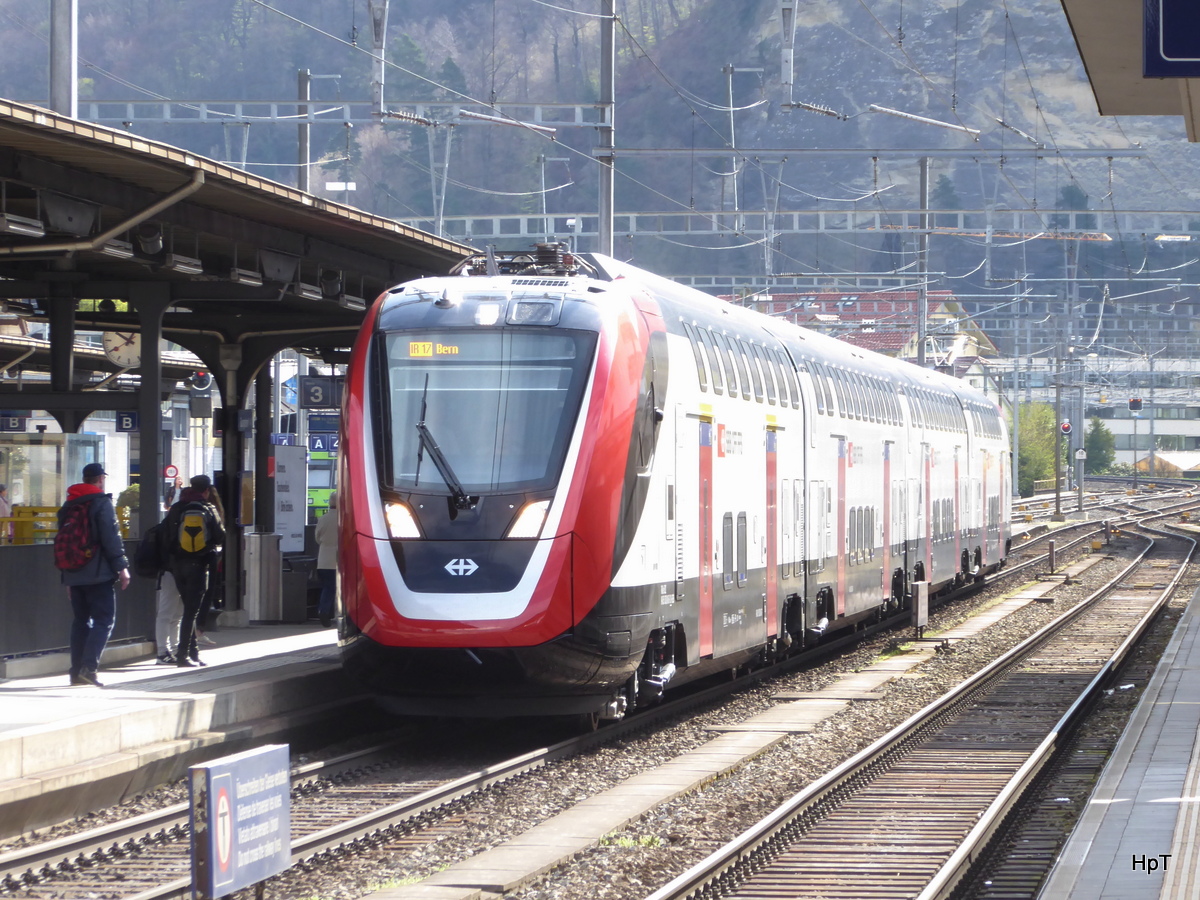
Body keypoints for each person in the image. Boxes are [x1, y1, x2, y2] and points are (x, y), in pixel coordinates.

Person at [59, 463, 131, 687]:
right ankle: (88, 669)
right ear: (100, 479)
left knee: (80, 621)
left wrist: (67, 578)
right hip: (98, 573)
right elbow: (111, 537)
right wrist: (122, 567)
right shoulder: (101, 502)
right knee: (104, 621)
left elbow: (63, 543)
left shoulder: (69, 504)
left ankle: (75, 672)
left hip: (73, 573)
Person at [163, 474, 224, 667]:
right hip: (200, 564)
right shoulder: (208, 508)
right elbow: (220, 536)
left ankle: (193, 652)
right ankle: (183, 654)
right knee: (191, 612)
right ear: (206, 491)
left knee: (187, 610)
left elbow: (167, 535)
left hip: (178, 566)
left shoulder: (177, 508)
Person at [314, 491, 339, 627]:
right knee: (337, 589)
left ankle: (323, 611)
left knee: (327, 587)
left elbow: (317, 538)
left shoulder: (323, 519)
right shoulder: (344, 518)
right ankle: (335, 613)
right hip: (338, 560)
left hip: (323, 560)